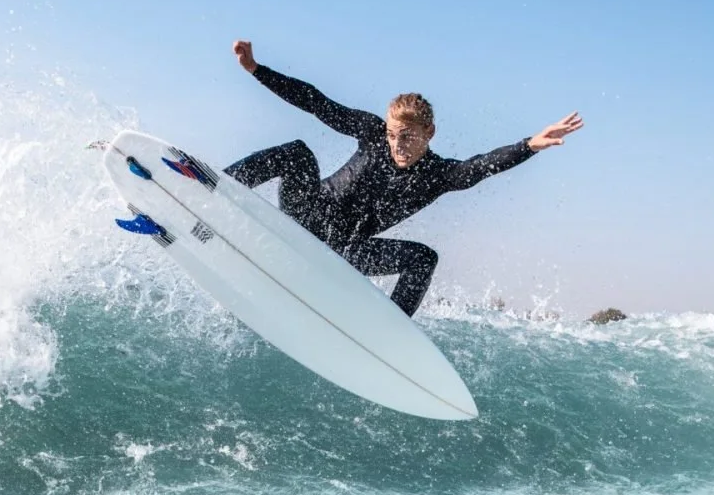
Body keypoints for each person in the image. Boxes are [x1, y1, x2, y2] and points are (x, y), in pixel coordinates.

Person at [225, 40, 583, 316]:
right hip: (307, 213)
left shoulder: (440, 175)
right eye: (394, 134)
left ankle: (388, 331)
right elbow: (317, 102)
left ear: (429, 132)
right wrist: (257, 69)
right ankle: (212, 188)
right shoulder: (372, 132)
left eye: (408, 136)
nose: (398, 144)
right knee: (297, 153)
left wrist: (530, 145)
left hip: (346, 251)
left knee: (424, 258)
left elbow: (483, 164)